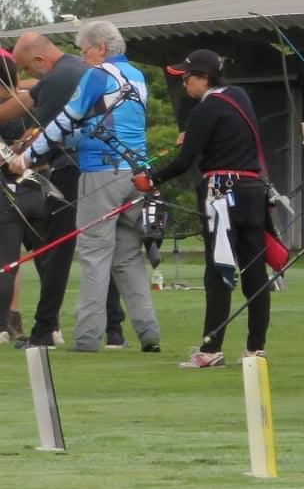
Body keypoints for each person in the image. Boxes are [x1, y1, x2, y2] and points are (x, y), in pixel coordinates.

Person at [2, 20, 161, 352]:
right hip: (138, 175)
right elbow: (98, 127)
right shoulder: (136, 76)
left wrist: (27, 157)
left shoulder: (96, 75)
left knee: (94, 254)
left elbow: (64, 121)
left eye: (85, 51)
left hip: (100, 173)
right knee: (128, 257)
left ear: (100, 48)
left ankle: (87, 338)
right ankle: (148, 333)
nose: (83, 58)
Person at [141, 49, 273, 367]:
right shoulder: (239, 96)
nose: (185, 84)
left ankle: (211, 349)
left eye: (188, 78)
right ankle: (256, 348)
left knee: (218, 271)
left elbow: (187, 161)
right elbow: (228, 135)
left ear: (204, 77)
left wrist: (151, 178)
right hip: (253, 190)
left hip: (222, 192)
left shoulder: (205, 109)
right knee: (254, 269)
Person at [2, 31, 91, 353]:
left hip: (65, 173)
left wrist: (21, 156)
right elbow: (27, 96)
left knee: (54, 251)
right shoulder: (67, 71)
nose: (30, 75)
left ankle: (44, 328)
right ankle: (111, 328)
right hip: (63, 177)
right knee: (98, 253)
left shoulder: (59, 79)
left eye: (30, 67)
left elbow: (44, 130)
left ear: (40, 60)